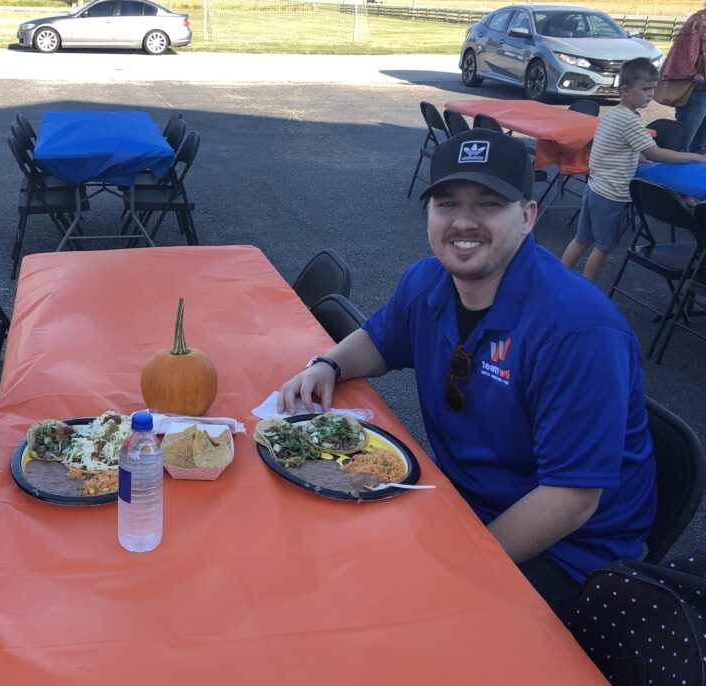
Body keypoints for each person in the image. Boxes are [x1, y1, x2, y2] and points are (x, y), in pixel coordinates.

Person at [278, 129, 656, 621]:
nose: (463, 223)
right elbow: (381, 339)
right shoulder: (428, 279)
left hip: (568, 555)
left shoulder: (578, 329)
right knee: (311, 558)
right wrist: (328, 365)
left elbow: (571, 500)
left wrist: (455, 565)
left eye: (488, 205)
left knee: (383, 622)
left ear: (526, 216)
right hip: (457, 502)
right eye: (447, 203)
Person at [561, 57, 706, 283]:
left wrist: (638, 157)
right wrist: (696, 157)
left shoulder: (614, 115)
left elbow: (620, 146)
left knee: (581, 239)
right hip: (612, 194)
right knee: (603, 247)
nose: (650, 94)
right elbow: (657, 153)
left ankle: (557, 277)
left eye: (653, 89)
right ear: (625, 90)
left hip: (595, 187)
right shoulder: (630, 120)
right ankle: (586, 290)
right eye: (645, 89)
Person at [661, 2, 706, 153]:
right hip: (697, 91)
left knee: (701, 146)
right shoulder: (697, 21)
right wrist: (693, 75)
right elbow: (682, 54)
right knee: (684, 141)